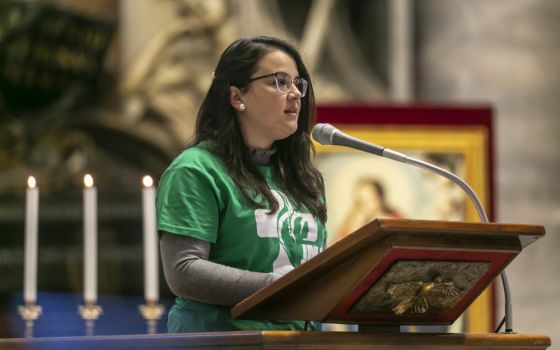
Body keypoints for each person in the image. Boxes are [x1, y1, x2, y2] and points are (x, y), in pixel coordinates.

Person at [156, 36, 327, 333]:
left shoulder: (303, 178)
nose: (295, 94)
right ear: (237, 97)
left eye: (298, 83)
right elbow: (184, 271)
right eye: (279, 82)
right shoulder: (197, 170)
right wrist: (282, 287)